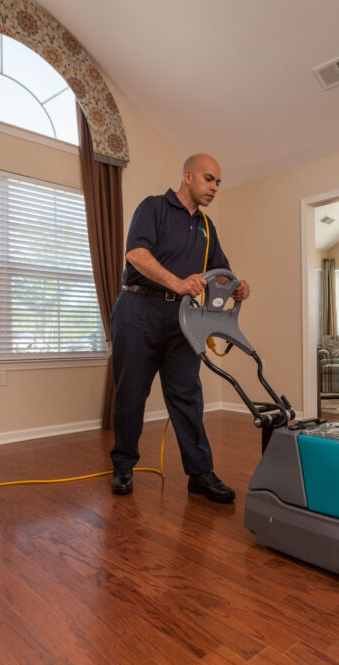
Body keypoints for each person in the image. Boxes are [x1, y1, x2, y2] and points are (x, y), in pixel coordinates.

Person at [109, 154, 250, 503]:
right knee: (131, 394)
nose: (215, 187)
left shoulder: (206, 226)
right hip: (139, 310)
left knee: (187, 394)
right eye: (209, 179)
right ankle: (123, 467)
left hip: (183, 319)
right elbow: (136, 254)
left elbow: (220, 271)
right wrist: (178, 282)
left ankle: (200, 474)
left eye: (218, 182)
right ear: (187, 177)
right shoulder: (154, 207)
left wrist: (236, 287)